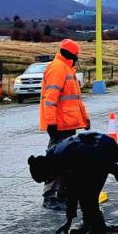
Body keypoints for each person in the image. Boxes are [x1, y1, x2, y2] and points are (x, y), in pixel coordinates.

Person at [28, 132, 118, 234]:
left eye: (46, 179)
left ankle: (98, 232)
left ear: (47, 171)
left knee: (88, 197)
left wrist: (116, 170)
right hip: (91, 156)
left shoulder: (65, 155)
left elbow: (95, 157)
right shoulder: (58, 163)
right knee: (82, 192)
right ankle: (89, 224)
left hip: (103, 149)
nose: (49, 181)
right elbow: (71, 193)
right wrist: (68, 222)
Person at [39, 38, 90, 210]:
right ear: (71, 55)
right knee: (55, 160)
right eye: (76, 55)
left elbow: (75, 101)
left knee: (66, 161)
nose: (77, 58)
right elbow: (50, 100)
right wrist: (51, 123)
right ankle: (50, 196)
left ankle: (61, 194)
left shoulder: (67, 68)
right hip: (59, 125)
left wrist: (85, 119)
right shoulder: (58, 69)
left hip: (67, 124)